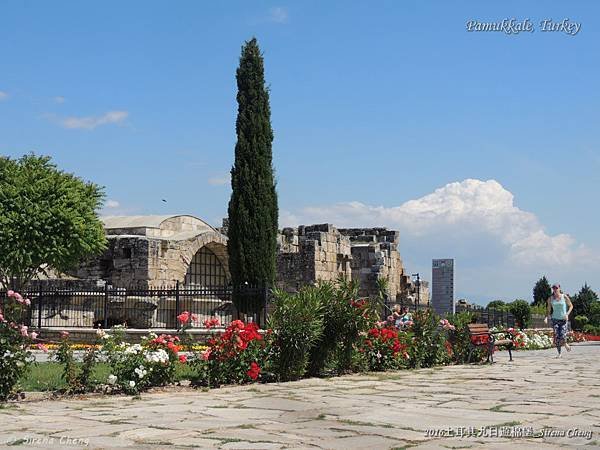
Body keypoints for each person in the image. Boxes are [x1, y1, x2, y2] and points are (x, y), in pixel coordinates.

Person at [544, 283, 573, 357]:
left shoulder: (564, 296)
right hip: (555, 319)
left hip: (563, 319)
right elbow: (548, 310)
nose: (555, 289)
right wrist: (546, 317)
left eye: (556, 288)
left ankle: (565, 343)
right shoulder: (550, 298)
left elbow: (571, 306)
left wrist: (567, 314)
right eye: (553, 288)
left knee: (562, 334)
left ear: (559, 288)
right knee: (557, 335)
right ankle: (559, 353)